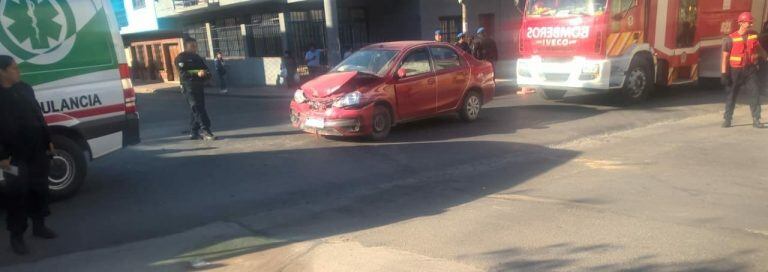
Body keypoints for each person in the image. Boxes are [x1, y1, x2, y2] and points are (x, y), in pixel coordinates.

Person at [0, 55, 58, 255]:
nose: (19, 71)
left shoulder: (25, 88)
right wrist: (2, 155)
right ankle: (16, 236)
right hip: (13, 156)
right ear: (2, 71)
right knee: (17, 194)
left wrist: (47, 140)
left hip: (36, 150)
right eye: (14, 68)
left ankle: (39, 225)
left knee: (40, 188)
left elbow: (37, 115)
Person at [721, 12, 763, 128]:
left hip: (750, 70)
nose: (750, 24)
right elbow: (725, 58)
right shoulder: (730, 39)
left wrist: (766, 56)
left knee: (755, 93)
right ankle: (727, 119)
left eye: (751, 22)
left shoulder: (754, 35)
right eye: (748, 22)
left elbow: (759, 48)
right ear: (740, 23)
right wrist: (724, 74)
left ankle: (756, 119)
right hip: (735, 71)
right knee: (732, 95)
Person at [175, 38, 216, 140]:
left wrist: (207, 75)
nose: (195, 48)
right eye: (192, 46)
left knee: (197, 108)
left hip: (199, 86)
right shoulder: (181, 58)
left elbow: (205, 69)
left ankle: (194, 132)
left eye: (195, 45)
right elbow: (183, 73)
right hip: (188, 86)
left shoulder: (197, 57)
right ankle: (206, 130)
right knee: (197, 108)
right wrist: (196, 72)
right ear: (186, 46)